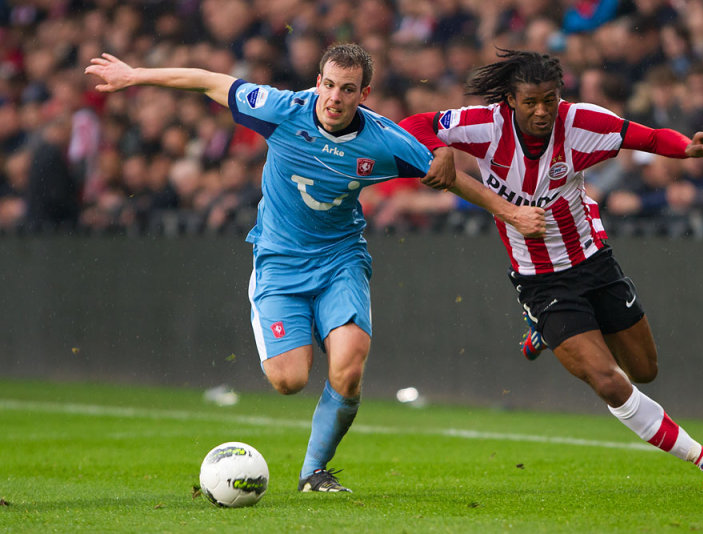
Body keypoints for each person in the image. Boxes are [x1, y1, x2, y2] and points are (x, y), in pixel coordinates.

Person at [85, 43, 544, 493]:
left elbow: (450, 177)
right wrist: (135, 75)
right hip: (279, 261)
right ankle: (281, 322)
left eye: (347, 89)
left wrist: (511, 212)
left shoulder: (382, 140)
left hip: (340, 258)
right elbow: (209, 81)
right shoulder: (281, 109)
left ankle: (314, 472)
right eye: (328, 85)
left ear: (364, 94)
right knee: (289, 381)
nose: (334, 97)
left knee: (348, 367)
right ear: (316, 82)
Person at [399, 49, 703, 490]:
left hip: (595, 261)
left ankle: (543, 333)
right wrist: (441, 148)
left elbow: (649, 138)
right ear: (510, 101)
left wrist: (686, 147)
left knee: (645, 369)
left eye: (550, 100)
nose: (542, 111)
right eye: (530, 102)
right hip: (540, 279)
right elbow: (413, 125)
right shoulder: (484, 124)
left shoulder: (583, 122)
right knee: (608, 382)